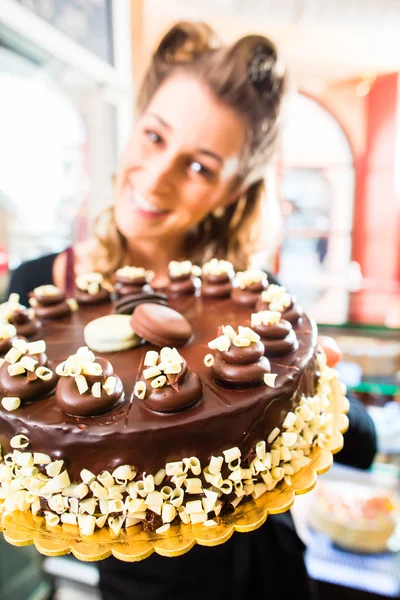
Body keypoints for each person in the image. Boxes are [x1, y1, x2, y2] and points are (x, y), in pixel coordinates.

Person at [8, 22, 376, 600]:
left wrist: (320, 387)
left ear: (233, 192)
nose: (157, 178)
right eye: (154, 137)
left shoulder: (256, 300)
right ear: (133, 129)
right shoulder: (36, 290)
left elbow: (363, 442)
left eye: (201, 166)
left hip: (271, 577)